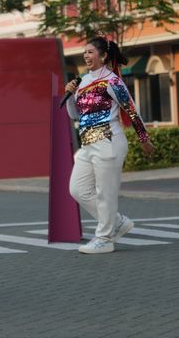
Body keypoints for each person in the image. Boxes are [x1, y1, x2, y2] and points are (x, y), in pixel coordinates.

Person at [64, 36, 154, 255]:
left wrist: (143, 138)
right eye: (85, 52)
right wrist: (70, 95)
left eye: (91, 52)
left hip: (108, 140)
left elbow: (131, 110)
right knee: (77, 189)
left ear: (103, 56)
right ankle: (118, 222)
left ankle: (104, 238)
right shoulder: (83, 81)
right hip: (88, 144)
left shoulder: (112, 81)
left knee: (105, 194)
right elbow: (75, 115)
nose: (86, 56)